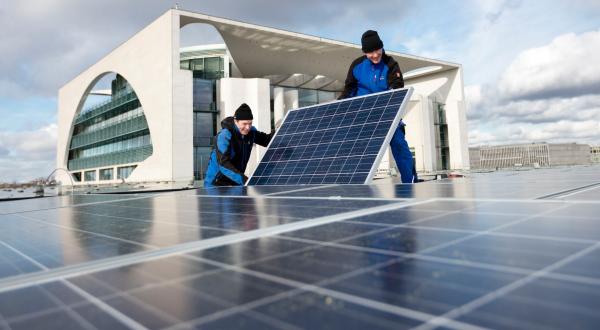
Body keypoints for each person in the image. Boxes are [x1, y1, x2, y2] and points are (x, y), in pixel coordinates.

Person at [339, 30, 418, 183]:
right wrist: (339, 106)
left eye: (377, 50)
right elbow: (349, 89)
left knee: (399, 145)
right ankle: (355, 183)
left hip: (388, 113)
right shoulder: (357, 66)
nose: (375, 55)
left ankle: (410, 181)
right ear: (364, 52)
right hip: (362, 115)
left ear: (382, 47)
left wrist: (386, 104)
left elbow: (397, 88)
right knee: (355, 149)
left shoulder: (390, 64)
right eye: (370, 52)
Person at [204, 103, 273, 187]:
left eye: (250, 123)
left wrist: (282, 128)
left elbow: (267, 140)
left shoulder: (251, 133)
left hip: (234, 182)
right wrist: (244, 180)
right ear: (236, 121)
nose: (247, 127)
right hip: (215, 184)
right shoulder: (225, 135)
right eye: (244, 124)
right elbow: (223, 164)